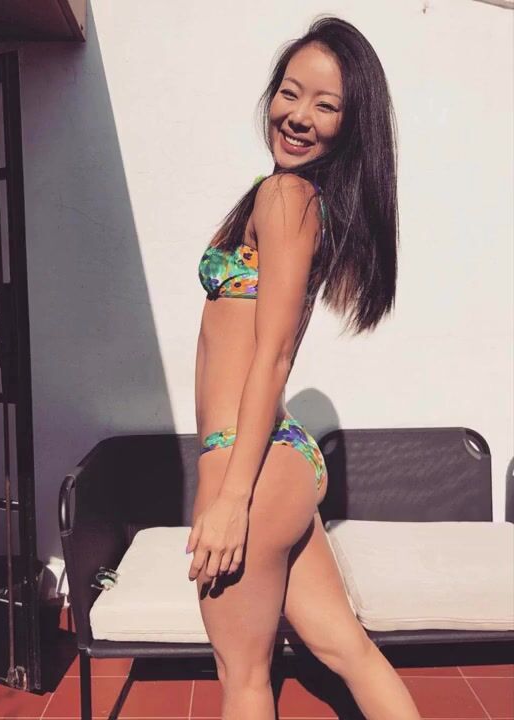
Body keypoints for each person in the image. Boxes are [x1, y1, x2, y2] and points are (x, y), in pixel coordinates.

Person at [186, 17, 420, 718]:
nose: (298, 116)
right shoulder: (291, 195)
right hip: (281, 456)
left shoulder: (288, 197)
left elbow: (275, 352)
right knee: (347, 648)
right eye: (290, 93)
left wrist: (232, 497)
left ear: (351, 125)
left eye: (326, 105)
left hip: (246, 458)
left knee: (244, 678)